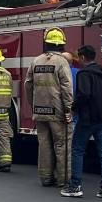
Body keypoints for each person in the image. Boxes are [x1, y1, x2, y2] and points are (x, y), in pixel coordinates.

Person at [62, 45, 102, 199]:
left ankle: (76, 186)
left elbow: (84, 95)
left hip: (88, 118)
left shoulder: (84, 73)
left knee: (78, 149)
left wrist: (73, 108)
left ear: (82, 57)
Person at [24, 28, 74, 190]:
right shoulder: (61, 62)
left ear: (46, 43)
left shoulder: (36, 61)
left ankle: (45, 177)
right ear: (62, 45)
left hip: (39, 111)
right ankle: (64, 180)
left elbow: (28, 85)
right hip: (57, 111)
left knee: (44, 144)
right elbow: (66, 87)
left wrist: (33, 105)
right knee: (62, 144)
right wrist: (69, 109)